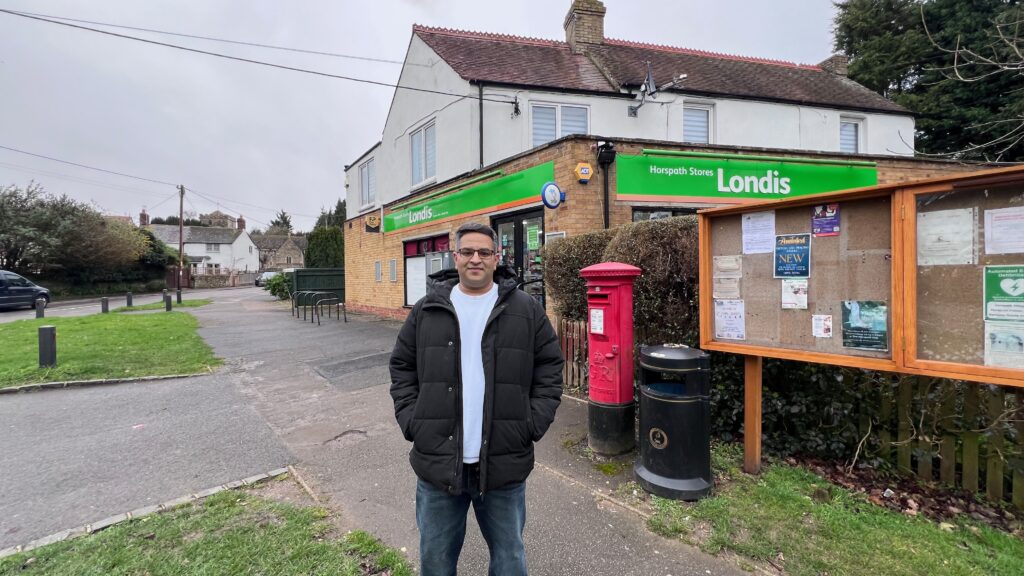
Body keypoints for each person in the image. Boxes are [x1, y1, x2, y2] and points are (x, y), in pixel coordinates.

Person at [389, 221, 564, 576]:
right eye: (467, 251)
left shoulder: (526, 309)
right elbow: (402, 366)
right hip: (438, 462)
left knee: (509, 560)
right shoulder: (427, 309)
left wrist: (531, 423)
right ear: (455, 257)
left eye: (484, 252)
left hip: (503, 462)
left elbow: (549, 367)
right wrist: (413, 421)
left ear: (496, 258)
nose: (475, 259)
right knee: (436, 562)